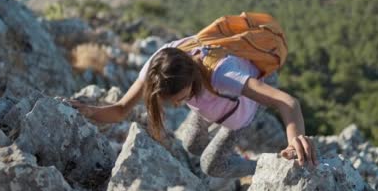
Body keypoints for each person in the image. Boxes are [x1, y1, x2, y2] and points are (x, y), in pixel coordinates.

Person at [68, 35, 318, 178]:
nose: (176, 105)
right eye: (172, 100)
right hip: (213, 104)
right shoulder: (160, 67)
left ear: (193, 80)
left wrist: (295, 139)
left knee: (211, 164)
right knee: (190, 144)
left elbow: (287, 102)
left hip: (244, 104)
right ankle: (230, 147)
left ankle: (272, 165)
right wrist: (88, 111)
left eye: (180, 97)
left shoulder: (223, 75)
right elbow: (122, 108)